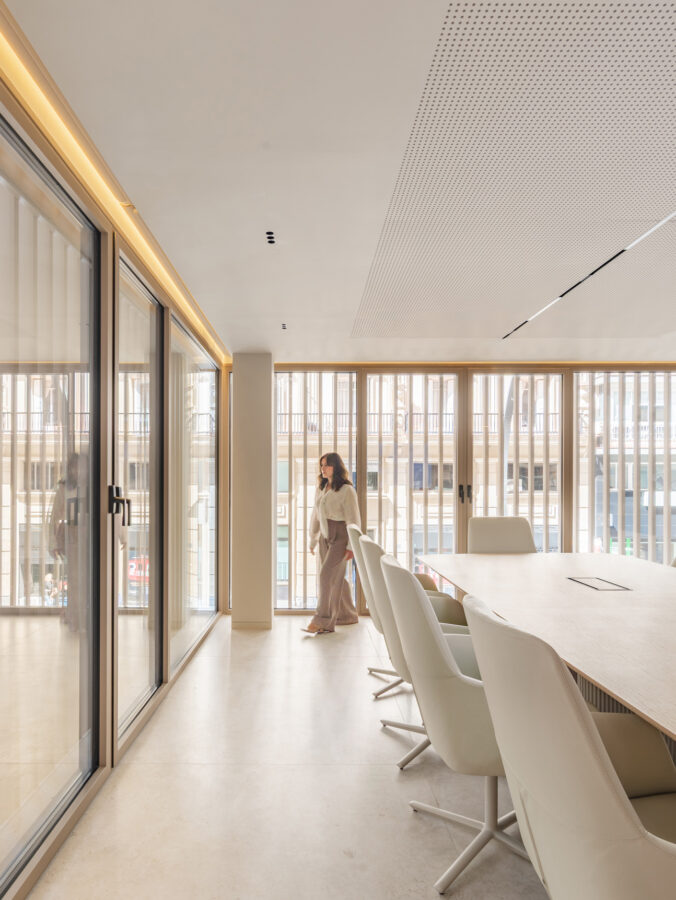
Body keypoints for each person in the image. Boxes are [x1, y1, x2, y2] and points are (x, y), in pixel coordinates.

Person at [303, 452, 360, 634]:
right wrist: (313, 539)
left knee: (325, 576)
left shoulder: (347, 490)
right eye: (322, 465)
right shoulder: (321, 488)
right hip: (324, 536)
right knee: (335, 578)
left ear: (336, 466)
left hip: (341, 537)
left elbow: (354, 519)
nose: (323, 468)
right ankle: (347, 615)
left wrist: (351, 546)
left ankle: (322, 620)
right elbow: (316, 515)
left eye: (327, 465)